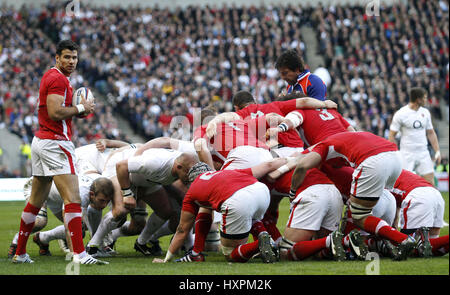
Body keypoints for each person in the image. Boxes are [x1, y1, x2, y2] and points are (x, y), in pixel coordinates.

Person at [11, 40, 104, 265]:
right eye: (67, 57)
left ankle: (20, 252)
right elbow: (54, 112)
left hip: (42, 141)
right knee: (72, 199)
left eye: (74, 58)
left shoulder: (54, 77)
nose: (71, 62)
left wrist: (77, 112)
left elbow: (59, 111)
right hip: (55, 143)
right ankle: (80, 255)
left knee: (35, 202)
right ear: (57, 58)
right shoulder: (57, 79)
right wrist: (82, 108)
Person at [289, 131, 417, 260]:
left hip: (373, 163)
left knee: (359, 216)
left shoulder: (324, 146)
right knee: (367, 229)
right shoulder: (348, 139)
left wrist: (292, 191)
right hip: (395, 159)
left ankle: (402, 239)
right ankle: (386, 242)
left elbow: (302, 165)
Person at [153, 158, 289, 264]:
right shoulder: (225, 172)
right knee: (252, 218)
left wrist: (167, 259)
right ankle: (267, 240)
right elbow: (205, 214)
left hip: (239, 199)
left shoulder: (193, 190)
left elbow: (182, 230)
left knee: (231, 254)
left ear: (191, 179)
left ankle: (260, 244)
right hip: (261, 191)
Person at [115, 148, 199, 255]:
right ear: (179, 167)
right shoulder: (154, 163)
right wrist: (127, 194)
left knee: (167, 210)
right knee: (120, 212)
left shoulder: (184, 161)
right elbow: (121, 166)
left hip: (150, 181)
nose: (190, 178)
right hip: (123, 176)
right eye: (189, 173)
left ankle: (142, 243)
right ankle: (97, 245)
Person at [388, 87, 441, 185]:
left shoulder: (425, 113)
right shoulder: (401, 114)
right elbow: (391, 135)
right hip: (407, 153)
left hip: (423, 152)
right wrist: (395, 153)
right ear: (418, 99)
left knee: (430, 183)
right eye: (425, 98)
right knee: (403, 183)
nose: (426, 100)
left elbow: (431, 133)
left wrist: (437, 151)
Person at [389, 169, 446, 257]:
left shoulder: (378, 175)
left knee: (408, 247)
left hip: (417, 196)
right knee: (431, 249)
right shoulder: (398, 169)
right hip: (435, 194)